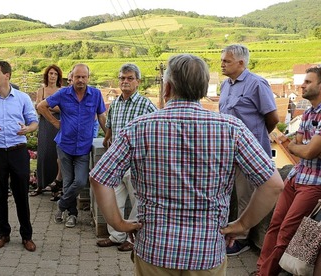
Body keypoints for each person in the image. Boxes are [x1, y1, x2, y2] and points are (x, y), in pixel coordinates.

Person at [90, 54, 284, 275]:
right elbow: (273, 185)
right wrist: (241, 225)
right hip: (207, 252)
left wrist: (120, 224)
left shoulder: (139, 127)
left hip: (155, 250)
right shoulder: (232, 129)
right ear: (203, 90)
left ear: (167, 88)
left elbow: (99, 177)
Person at [255, 66, 321, 276]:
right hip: (295, 177)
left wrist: (298, 146)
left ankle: (267, 273)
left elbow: (309, 151)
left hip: (314, 183)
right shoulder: (309, 112)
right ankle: (261, 270)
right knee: (275, 224)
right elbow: (298, 146)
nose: (302, 85)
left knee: (286, 231)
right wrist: (299, 146)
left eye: (308, 82)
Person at [218, 44, 279, 255]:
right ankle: (227, 231)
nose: (222, 64)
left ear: (241, 63)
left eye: (226, 60)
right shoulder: (225, 85)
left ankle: (241, 238)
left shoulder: (257, 84)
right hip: (227, 151)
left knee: (245, 195)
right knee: (228, 192)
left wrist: (255, 138)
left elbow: (272, 119)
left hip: (248, 151)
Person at [0, 61, 38, 252]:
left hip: (18, 150)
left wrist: (28, 129)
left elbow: (34, 121)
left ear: (7, 76)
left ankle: (27, 236)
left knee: (21, 194)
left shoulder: (22, 98)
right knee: (0, 194)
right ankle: (4, 234)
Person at [96, 63, 157, 252]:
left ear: (138, 82)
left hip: (137, 162)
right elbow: (110, 128)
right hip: (116, 161)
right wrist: (107, 142)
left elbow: (156, 131)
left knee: (138, 201)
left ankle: (133, 239)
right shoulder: (115, 103)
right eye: (122, 78)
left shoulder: (146, 105)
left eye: (130, 78)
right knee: (114, 200)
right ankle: (116, 236)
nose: (125, 81)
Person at [37, 63, 107, 228]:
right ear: (72, 78)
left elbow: (102, 117)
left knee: (81, 181)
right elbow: (41, 106)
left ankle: (61, 205)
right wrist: (55, 122)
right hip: (65, 145)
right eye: (77, 77)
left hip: (83, 146)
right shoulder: (63, 93)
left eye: (83, 77)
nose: (80, 80)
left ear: (88, 78)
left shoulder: (95, 95)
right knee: (68, 181)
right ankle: (72, 215)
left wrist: (109, 137)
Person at [30, 64, 64, 198]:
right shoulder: (41, 90)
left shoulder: (62, 90)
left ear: (58, 76)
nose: (53, 76)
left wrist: (48, 107)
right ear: (47, 75)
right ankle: (40, 185)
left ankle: (56, 187)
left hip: (58, 124)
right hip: (44, 124)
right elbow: (39, 108)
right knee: (43, 154)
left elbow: (63, 109)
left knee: (56, 154)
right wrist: (50, 107)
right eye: (51, 73)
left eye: (55, 74)